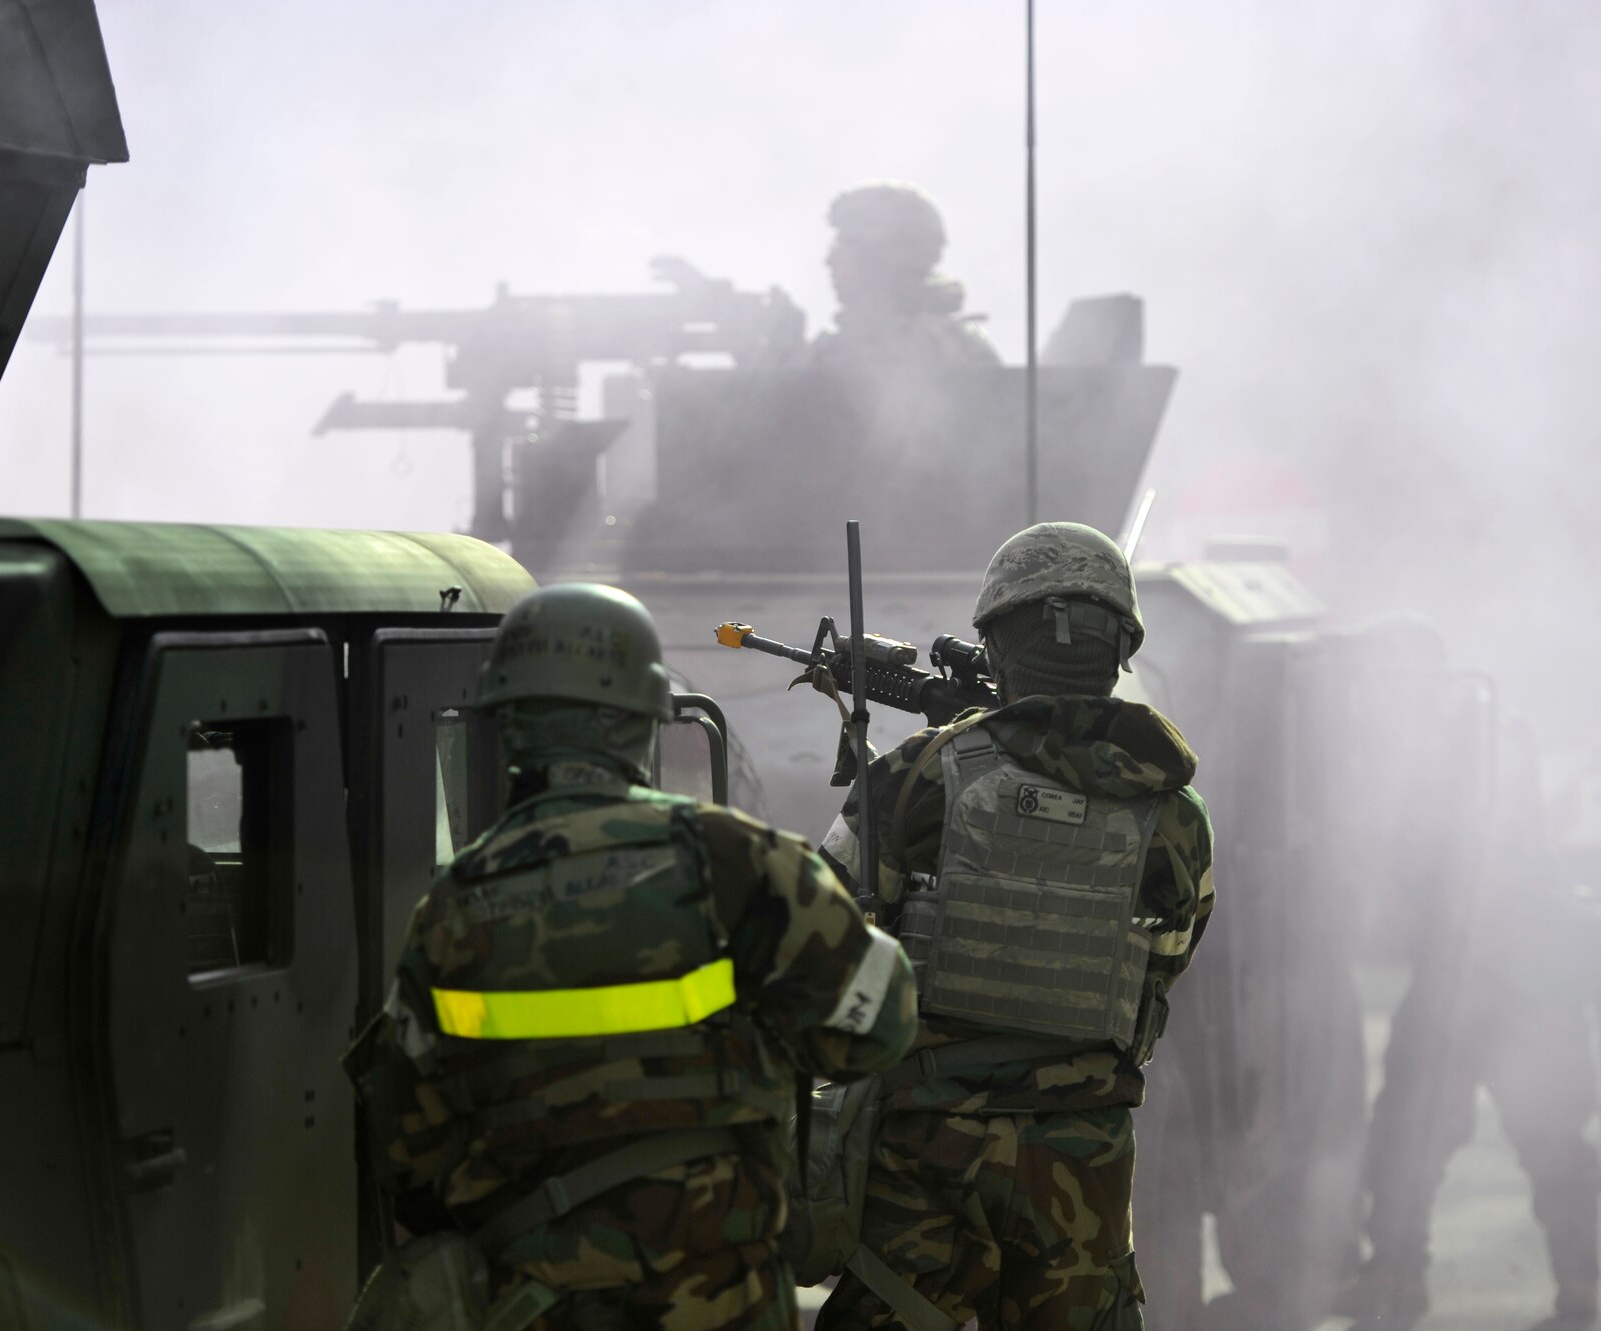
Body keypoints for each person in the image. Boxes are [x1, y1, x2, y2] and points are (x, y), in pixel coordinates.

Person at [345, 583, 918, 1331]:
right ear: (644, 721)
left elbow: (403, 1155)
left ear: (509, 725)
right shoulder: (735, 858)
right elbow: (879, 1027)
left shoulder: (453, 906)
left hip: (538, 1303)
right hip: (720, 1295)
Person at [816, 522, 1216, 1331]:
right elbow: (1164, 963)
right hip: (1085, 1167)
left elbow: (828, 935)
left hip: (927, 1162)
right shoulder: (1176, 814)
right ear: (1121, 651)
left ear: (996, 643)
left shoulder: (921, 774)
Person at [1330, 621, 1601, 1330]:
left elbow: (1426, 855)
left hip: (1476, 970)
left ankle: (1400, 1278)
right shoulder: (1493, 722)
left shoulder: (1439, 743)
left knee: (1413, 1131)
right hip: (1523, 968)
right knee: (1541, 1133)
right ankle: (1571, 1285)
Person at [812, 180, 1002, 372]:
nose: (830, 260)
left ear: (880, 259)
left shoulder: (948, 349)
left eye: (843, 248)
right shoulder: (831, 351)